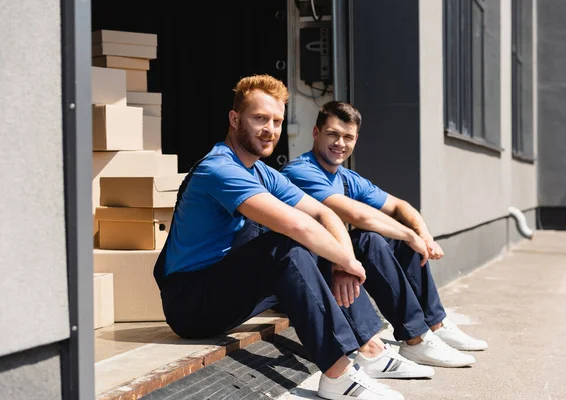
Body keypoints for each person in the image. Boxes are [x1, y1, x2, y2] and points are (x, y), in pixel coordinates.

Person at [153, 75, 411, 400]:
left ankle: (370, 350)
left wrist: (344, 265)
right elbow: (297, 227)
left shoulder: (262, 172)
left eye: (277, 121)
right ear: (234, 120)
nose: (270, 129)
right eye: (259, 118)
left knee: (315, 245)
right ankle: (338, 375)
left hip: (229, 288)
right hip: (191, 304)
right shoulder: (220, 168)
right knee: (287, 245)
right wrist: (346, 261)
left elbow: (324, 214)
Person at [280, 100, 488, 369]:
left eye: (348, 137)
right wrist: (408, 235)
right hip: (302, 273)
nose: (340, 143)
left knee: (399, 241)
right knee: (371, 239)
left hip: (332, 261)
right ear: (316, 133)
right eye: (332, 134)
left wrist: (423, 235)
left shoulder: (346, 177)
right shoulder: (301, 171)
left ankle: (436, 324)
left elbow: (401, 206)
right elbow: (358, 215)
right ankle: (415, 339)